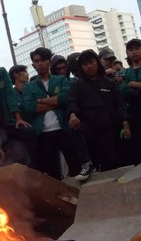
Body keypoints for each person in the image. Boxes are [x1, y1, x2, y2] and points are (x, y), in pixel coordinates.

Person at [22, 47, 94, 180]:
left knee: (75, 166)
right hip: (43, 133)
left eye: (43, 60)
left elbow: (65, 98)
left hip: (64, 128)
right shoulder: (29, 86)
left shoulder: (60, 80)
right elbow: (30, 107)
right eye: (37, 61)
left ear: (49, 62)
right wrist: (55, 101)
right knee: (52, 172)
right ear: (33, 64)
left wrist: (41, 101)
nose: (40, 63)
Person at [68, 50, 129, 172]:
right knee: (74, 129)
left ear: (97, 62)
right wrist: (72, 116)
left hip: (109, 129)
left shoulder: (109, 83)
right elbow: (72, 102)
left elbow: (120, 105)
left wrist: (125, 125)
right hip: (89, 129)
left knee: (111, 165)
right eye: (85, 64)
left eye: (91, 62)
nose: (89, 66)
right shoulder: (77, 85)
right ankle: (86, 163)